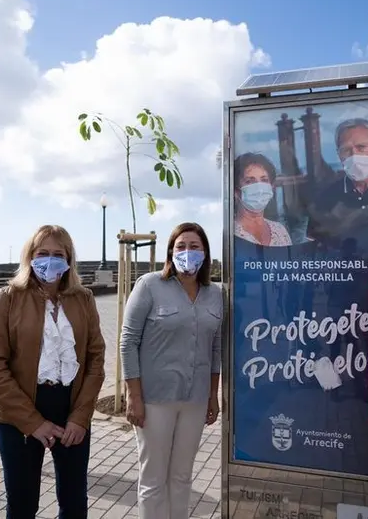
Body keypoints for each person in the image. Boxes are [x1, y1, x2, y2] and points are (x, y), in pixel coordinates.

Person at [0, 225, 106, 519]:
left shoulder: (83, 298)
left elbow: (95, 360)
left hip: (70, 408)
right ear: (30, 258)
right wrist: (33, 422)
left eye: (58, 254)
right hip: (18, 415)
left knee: (74, 503)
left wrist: (80, 418)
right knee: (22, 506)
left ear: (69, 260)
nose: (50, 261)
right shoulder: (7, 298)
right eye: (43, 254)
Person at [120, 222, 223, 519]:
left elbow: (215, 348)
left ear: (205, 253)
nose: (187, 252)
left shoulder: (215, 294)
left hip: (194, 399)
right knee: (153, 478)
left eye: (195, 247)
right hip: (154, 400)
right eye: (181, 246)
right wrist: (133, 396)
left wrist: (212, 396)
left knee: (182, 477)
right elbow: (128, 342)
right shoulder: (150, 285)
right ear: (170, 251)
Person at [305, 118, 368, 253]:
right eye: (346, 150)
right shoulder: (323, 200)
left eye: (361, 147)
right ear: (338, 154)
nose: (354, 155)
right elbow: (312, 252)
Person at [233, 153, 292, 246]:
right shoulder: (231, 234)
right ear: (236, 191)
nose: (259, 188)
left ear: (271, 187)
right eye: (249, 181)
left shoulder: (280, 231)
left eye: (264, 180)